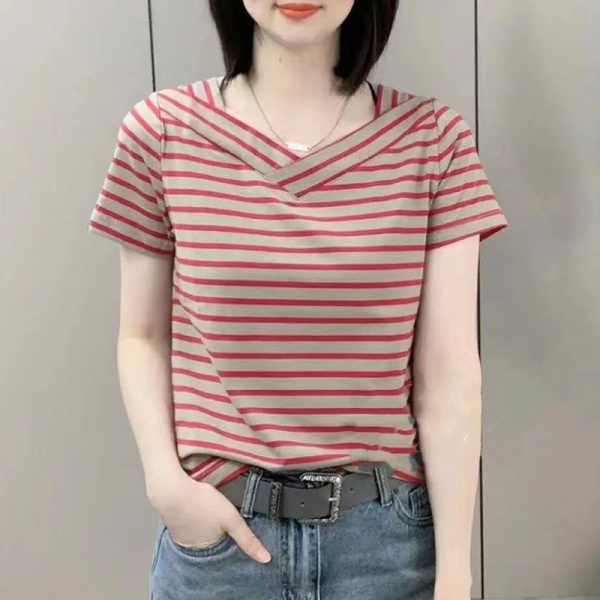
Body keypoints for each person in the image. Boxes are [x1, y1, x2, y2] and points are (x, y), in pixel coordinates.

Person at [89, 1, 507, 598]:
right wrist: (165, 482)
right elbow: (142, 336)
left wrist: (456, 576)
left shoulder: (432, 140)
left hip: (386, 548)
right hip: (220, 546)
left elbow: (448, 376)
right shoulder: (161, 131)